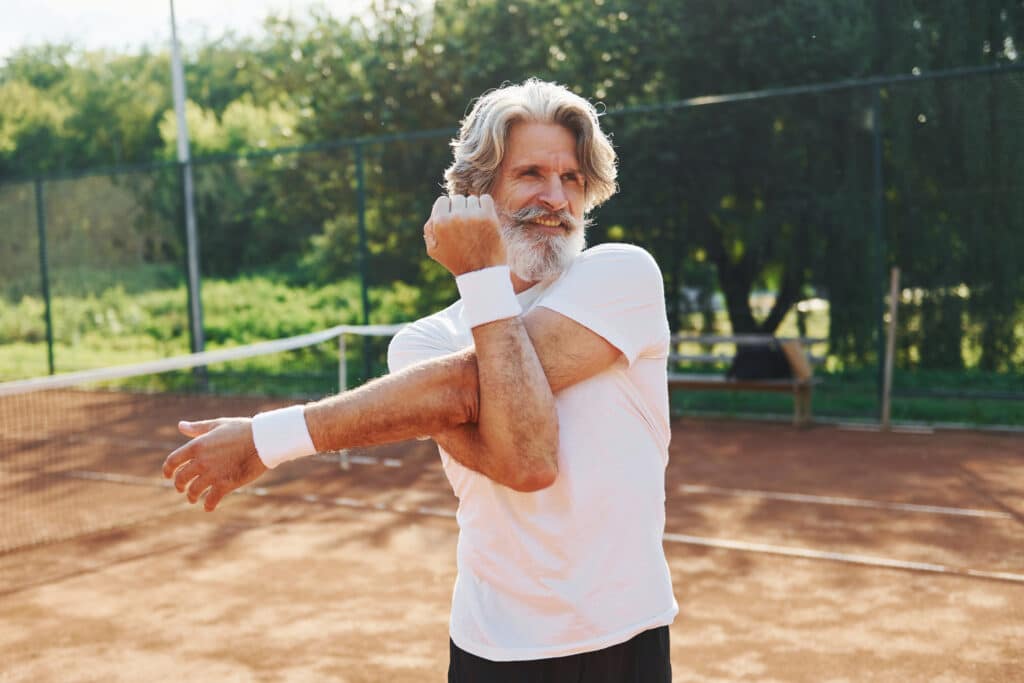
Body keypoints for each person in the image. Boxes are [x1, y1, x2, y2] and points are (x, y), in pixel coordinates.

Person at [163, 78, 677, 682]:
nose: (556, 199)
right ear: (477, 193)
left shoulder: (621, 277)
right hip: (494, 650)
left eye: (572, 179)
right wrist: (485, 282)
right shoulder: (422, 344)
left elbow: (470, 395)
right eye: (531, 174)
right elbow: (524, 461)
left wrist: (264, 440)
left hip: (628, 640)